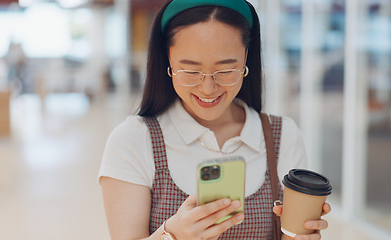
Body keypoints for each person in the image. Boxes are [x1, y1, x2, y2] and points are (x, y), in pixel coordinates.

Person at [98, 0, 331, 239]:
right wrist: (173, 235)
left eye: (225, 70)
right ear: (168, 60)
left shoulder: (282, 136)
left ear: (246, 58)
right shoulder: (133, 141)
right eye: (190, 71)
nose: (208, 88)